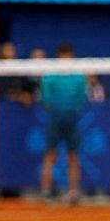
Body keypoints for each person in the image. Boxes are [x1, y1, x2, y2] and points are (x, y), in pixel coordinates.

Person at [39, 42, 92, 204]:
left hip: (72, 119)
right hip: (55, 118)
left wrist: (71, 108)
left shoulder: (78, 76)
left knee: (73, 156)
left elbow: (82, 98)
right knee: (50, 155)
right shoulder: (50, 75)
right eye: (63, 56)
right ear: (58, 57)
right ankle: (46, 191)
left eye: (68, 56)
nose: (66, 59)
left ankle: (73, 193)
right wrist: (57, 108)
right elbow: (45, 98)